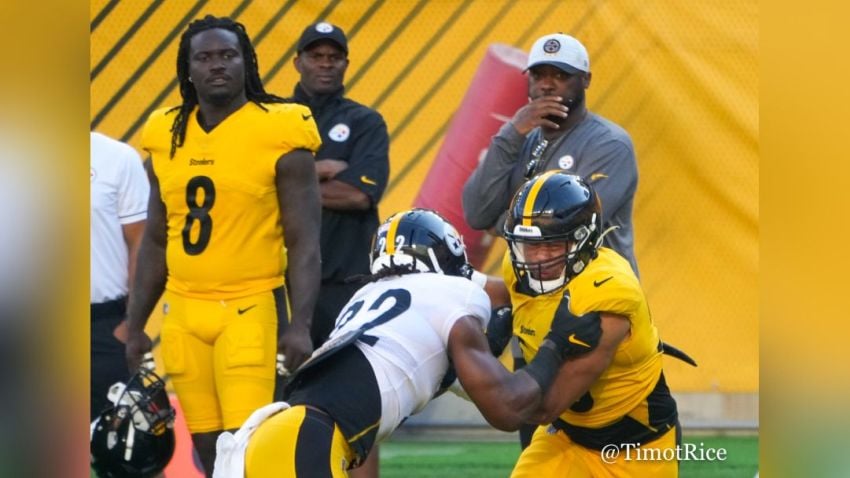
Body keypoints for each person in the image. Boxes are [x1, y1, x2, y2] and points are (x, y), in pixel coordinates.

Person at [211, 208, 604, 478]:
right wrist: (556, 343)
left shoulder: (369, 299)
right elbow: (505, 409)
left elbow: (466, 383)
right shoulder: (453, 293)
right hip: (305, 441)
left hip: (275, 437)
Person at [124, 15, 323, 478]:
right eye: (205, 57)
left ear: (247, 62)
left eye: (228, 55)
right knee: (209, 449)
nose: (218, 65)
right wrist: (135, 324)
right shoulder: (165, 132)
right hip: (183, 313)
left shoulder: (280, 127)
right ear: (187, 68)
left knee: (249, 446)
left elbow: (304, 241)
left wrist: (300, 324)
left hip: (250, 305)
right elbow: (156, 237)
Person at [489, 171, 681, 477]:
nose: (537, 260)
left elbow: (542, 408)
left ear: (583, 238)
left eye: (552, 246)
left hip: (634, 446)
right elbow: (502, 294)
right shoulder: (517, 267)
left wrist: (469, 359)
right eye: (528, 245)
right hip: (566, 434)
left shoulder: (607, 293)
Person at [462, 32, 639, 275]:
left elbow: (569, 228)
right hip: (536, 288)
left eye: (560, 75)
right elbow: (476, 214)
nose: (546, 84)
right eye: (538, 75)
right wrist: (511, 133)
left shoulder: (609, 144)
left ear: (586, 80)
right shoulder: (521, 138)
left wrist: (501, 223)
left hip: (598, 294)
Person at [291, 21, 390, 348]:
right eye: (316, 55)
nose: (325, 63)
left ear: (345, 64)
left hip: (345, 280)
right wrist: (320, 170)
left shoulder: (365, 121)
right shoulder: (274, 118)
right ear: (297, 62)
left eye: (334, 57)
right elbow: (251, 184)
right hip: (280, 278)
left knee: (341, 375)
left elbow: (359, 195)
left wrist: (287, 184)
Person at [90, 131, 149, 422]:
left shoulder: (117, 158)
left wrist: (131, 324)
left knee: (132, 446)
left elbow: (141, 241)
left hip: (105, 325)